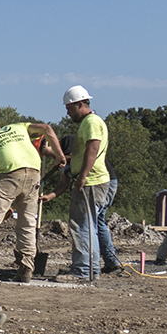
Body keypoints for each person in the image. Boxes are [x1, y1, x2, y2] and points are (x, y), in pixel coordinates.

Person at [0, 121, 64, 285]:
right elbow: (47, 129)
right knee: (27, 222)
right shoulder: (18, 127)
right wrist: (59, 156)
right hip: (34, 172)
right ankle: (26, 269)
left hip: (9, 173)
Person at [58, 85, 111, 282]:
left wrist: (82, 176)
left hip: (91, 182)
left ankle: (82, 270)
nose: (67, 112)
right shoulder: (92, 122)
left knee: (82, 227)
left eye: (70, 108)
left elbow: (93, 148)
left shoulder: (91, 122)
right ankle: (90, 270)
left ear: (80, 105)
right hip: (92, 181)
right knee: (88, 227)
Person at [94, 156, 123, 275]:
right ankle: (111, 261)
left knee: (90, 222)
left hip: (102, 182)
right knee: (98, 221)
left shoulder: (69, 143)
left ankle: (88, 263)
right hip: (108, 181)